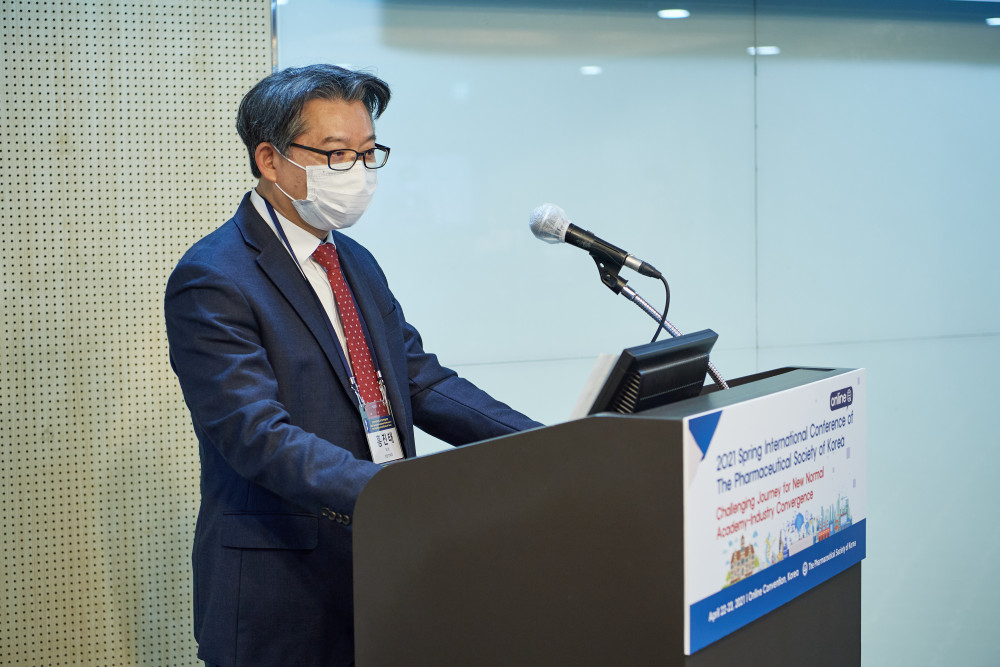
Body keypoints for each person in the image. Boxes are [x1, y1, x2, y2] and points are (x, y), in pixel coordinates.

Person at [164, 64, 541, 667]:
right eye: (337, 155)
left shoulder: (353, 260)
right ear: (270, 159)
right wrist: (396, 495)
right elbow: (256, 436)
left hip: (384, 570)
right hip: (282, 587)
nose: (359, 173)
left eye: (369, 154)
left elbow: (418, 380)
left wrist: (543, 444)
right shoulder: (213, 278)